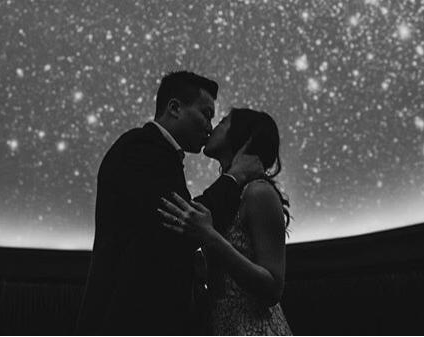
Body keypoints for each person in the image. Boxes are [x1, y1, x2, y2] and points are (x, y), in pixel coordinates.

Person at [76, 72, 265, 335]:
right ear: (175, 108)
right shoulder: (140, 148)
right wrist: (235, 177)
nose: (210, 127)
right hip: (131, 321)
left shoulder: (155, 153)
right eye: (206, 114)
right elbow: (181, 224)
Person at [159, 108, 292, 335]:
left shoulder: (258, 192)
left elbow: (273, 287)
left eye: (221, 122)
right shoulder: (231, 195)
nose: (211, 128)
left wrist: (209, 236)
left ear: (245, 136)